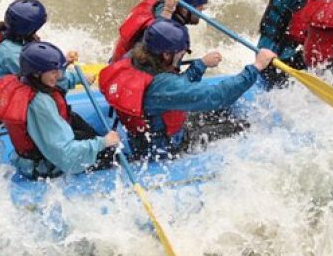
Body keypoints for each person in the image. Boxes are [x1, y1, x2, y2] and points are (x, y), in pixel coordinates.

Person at [100, 19, 275, 159]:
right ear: (166, 55)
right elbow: (216, 96)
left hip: (145, 133)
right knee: (241, 126)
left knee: (221, 113)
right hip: (164, 146)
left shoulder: (132, 57)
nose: (182, 56)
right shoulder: (162, 86)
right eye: (181, 54)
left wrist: (200, 65)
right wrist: (256, 67)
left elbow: (174, 91)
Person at [0, 41, 119, 179]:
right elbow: (64, 154)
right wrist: (103, 142)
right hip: (45, 165)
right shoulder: (40, 104)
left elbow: (58, 80)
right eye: (53, 71)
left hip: (43, 149)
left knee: (87, 131)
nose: (59, 75)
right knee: (111, 154)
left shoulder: (25, 79)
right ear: (37, 73)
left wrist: (64, 65)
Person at [0, 0, 89, 96]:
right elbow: (46, 81)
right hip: (14, 101)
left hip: (8, 89)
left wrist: (63, 62)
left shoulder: (6, 35)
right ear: (28, 30)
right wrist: (78, 79)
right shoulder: (12, 55)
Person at [109, 0, 209, 63]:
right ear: (183, 8)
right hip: (128, 75)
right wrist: (201, 65)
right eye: (198, 8)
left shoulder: (155, 6)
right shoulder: (163, 32)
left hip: (118, 62)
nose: (201, 11)